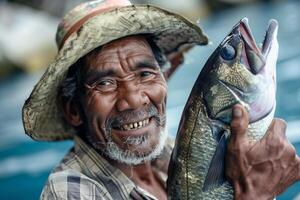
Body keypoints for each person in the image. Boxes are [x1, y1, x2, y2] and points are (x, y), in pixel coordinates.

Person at [22, 0, 300, 199]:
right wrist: (256, 194)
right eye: (105, 83)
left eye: (145, 74)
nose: (132, 99)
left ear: (164, 78)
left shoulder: (170, 152)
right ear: (74, 109)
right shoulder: (71, 191)